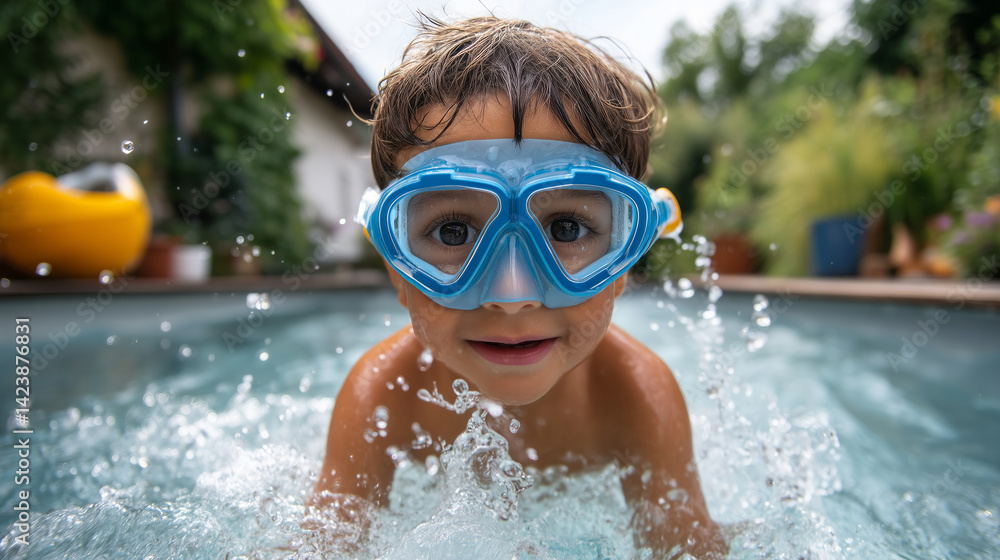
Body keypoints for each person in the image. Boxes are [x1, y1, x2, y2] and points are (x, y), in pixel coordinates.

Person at [309, 15, 726, 557]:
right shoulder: (381, 399)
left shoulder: (638, 397)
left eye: (566, 229)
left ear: (625, 257)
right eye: (453, 231)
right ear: (398, 266)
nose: (511, 293)